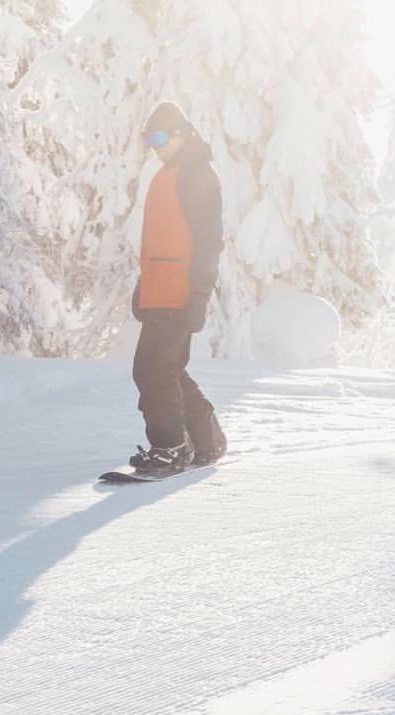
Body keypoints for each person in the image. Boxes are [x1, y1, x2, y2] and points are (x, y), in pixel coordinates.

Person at [129, 102, 227, 474]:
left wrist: (199, 294)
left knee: (152, 370)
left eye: (159, 137)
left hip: (179, 292)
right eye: (147, 139)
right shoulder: (172, 172)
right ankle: (205, 439)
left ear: (181, 134)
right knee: (165, 368)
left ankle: (170, 448)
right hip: (160, 291)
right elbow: (161, 241)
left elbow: (208, 241)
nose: (153, 146)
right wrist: (143, 287)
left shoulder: (197, 175)